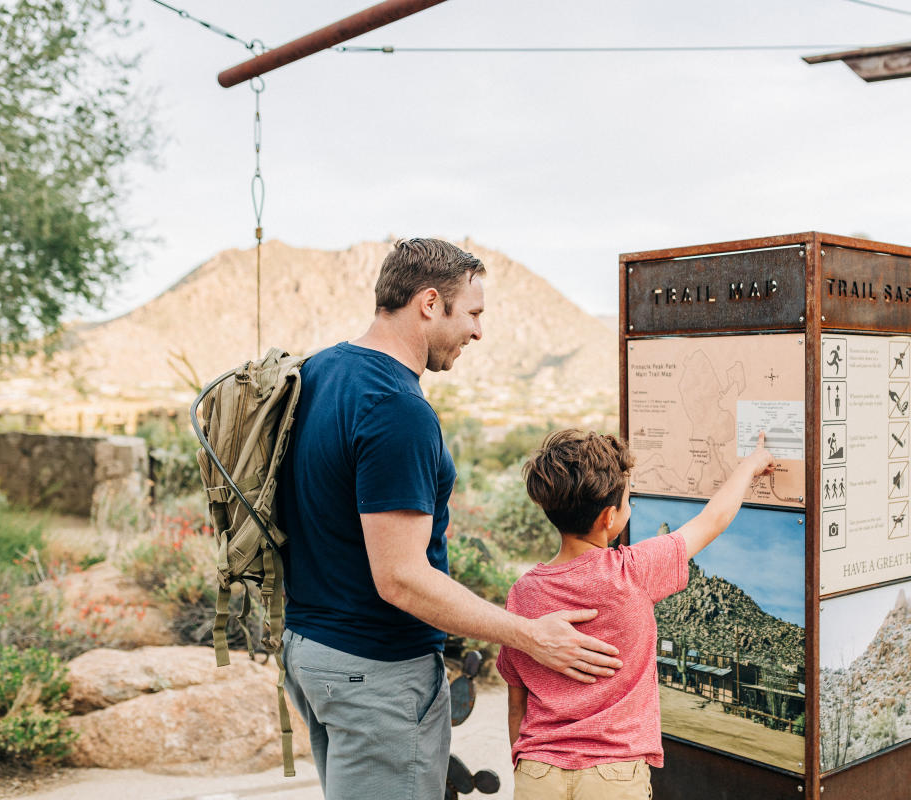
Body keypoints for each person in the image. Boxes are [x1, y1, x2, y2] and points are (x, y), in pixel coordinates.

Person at [277, 238, 623, 799]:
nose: (479, 332)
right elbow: (401, 578)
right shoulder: (397, 410)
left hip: (313, 651)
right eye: (474, 313)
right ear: (430, 303)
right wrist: (531, 635)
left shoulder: (323, 369)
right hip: (375, 671)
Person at [497, 429, 774, 799]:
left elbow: (517, 702)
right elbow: (712, 520)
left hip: (537, 772)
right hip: (612, 775)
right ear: (609, 518)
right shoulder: (633, 572)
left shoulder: (523, 593)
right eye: (628, 500)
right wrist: (751, 465)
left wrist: (525, 764)